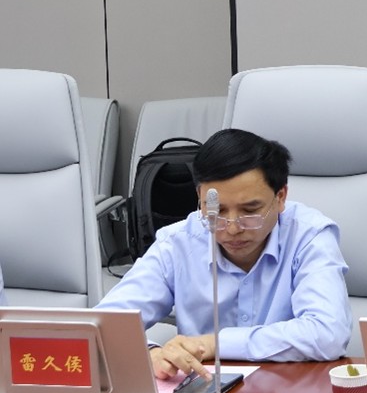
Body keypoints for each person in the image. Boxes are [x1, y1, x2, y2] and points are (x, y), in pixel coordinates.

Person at [98, 128, 351, 379]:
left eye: (250, 211)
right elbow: (102, 326)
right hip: (204, 392)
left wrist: (214, 344)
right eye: (216, 211)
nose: (232, 228)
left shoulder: (309, 236)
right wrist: (150, 354)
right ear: (200, 197)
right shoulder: (177, 243)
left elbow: (328, 334)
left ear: (281, 197)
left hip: (290, 389)